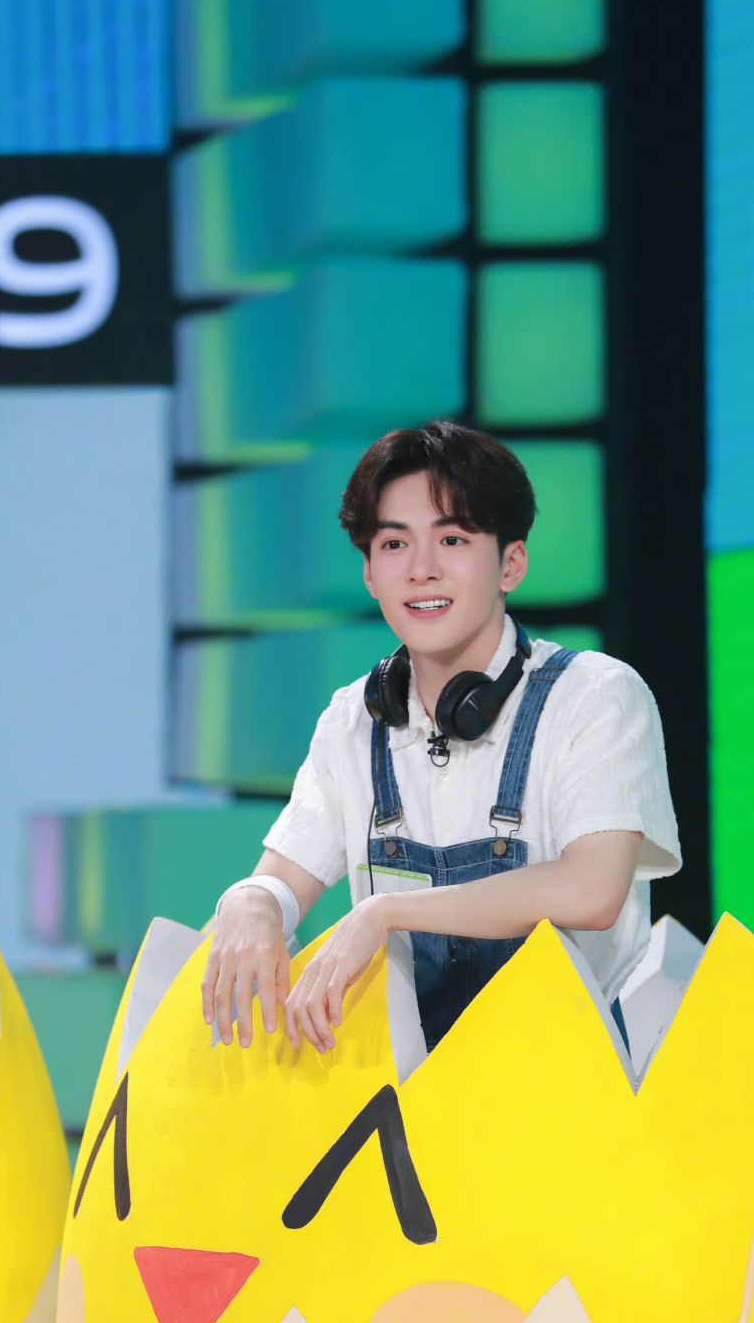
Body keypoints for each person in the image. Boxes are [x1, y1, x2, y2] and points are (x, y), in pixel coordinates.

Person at [201, 420, 682, 1056]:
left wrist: (386, 912)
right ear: (369, 574)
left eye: (452, 539)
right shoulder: (353, 721)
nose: (421, 570)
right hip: (405, 1094)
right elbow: (283, 876)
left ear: (511, 563)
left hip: (568, 1086)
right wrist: (251, 902)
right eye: (394, 544)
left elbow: (592, 890)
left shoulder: (595, 696)